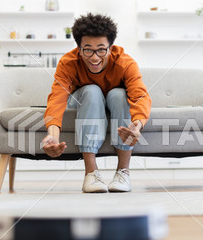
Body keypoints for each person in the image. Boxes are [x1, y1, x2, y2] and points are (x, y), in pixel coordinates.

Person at [41, 13, 152, 193]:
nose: (94, 57)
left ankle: (123, 172)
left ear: (111, 47)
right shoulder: (68, 63)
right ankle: (91, 174)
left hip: (116, 102)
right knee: (92, 90)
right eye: (88, 50)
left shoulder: (125, 63)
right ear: (78, 48)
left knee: (118, 94)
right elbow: (57, 98)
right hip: (85, 100)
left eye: (101, 49)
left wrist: (137, 125)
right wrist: (53, 134)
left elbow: (140, 96)